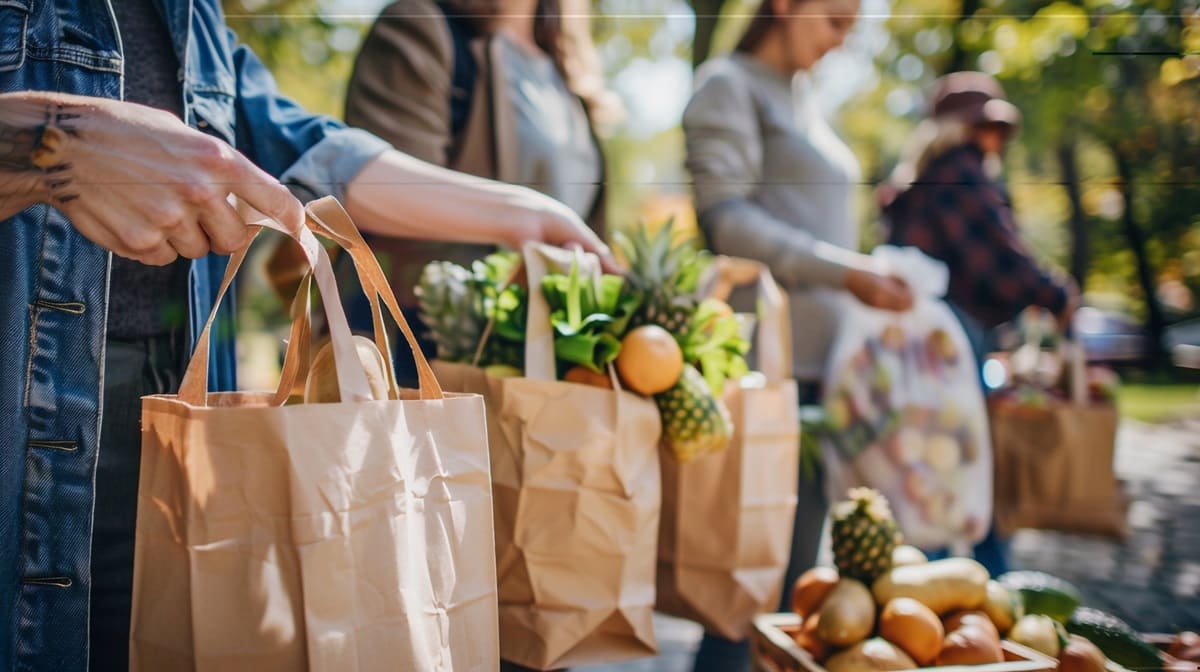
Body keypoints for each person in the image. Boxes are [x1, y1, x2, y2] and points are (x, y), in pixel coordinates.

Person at [0, 1, 614, 670]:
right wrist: (51, 141)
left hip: (180, 418)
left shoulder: (196, 14)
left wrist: (529, 213)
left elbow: (314, 153)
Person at [681, 0, 913, 669]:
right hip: (764, 374)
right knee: (745, 592)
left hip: (825, 372)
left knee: (791, 595)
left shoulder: (803, 94)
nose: (842, 41)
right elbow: (728, 222)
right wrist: (849, 274)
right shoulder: (729, 84)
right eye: (834, 19)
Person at [337, 0, 614, 386]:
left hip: (546, 364)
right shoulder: (422, 28)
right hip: (424, 360)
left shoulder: (568, 73)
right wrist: (520, 229)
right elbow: (382, 198)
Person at [880, 70, 1079, 575]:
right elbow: (1000, 260)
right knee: (972, 471)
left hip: (915, 349)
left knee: (929, 474)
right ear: (963, 130)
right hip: (955, 342)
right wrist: (1057, 294)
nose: (996, 142)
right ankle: (986, 595)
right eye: (988, 129)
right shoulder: (961, 172)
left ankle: (924, 594)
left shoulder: (916, 183)